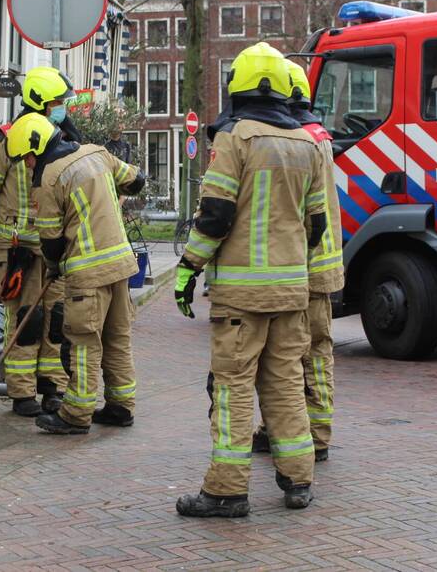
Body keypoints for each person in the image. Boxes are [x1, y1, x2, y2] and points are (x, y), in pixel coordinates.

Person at [173, 42, 327, 517]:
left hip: (242, 296)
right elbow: (316, 224)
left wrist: (187, 269)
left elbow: (215, 215)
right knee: (284, 381)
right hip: (292, 291)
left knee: (233, 386)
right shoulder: (309, 143)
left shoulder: (234, 139)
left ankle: (225, 490)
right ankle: (299, 480)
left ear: (237, 86)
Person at [6, 112, 146, 435]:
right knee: (117, 337)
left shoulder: (48, 179)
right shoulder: (97, 153)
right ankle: (121, 406)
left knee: (83, 342)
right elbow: (136, 180)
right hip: (121, 265)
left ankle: (76, 414)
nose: (26, 167)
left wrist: (53, 268)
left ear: (35, 149)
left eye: (25, 159)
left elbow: (52, 243)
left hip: (87, 272)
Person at [0, 67, 77, 417]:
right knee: (24, 323)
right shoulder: (5, 138)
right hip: (17, 250)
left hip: (55, 248)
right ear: (41, 102)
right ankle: (22, 393)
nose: (63, 108)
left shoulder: (64, 138)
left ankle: (53, 389)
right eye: (58, 102)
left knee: (56, 321)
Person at [253, 60, 344, 463]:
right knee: (310, 354)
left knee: (300, 356)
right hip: (319, 263)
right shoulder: (318, 135)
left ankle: (312, 434)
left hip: (303, 264)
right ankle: (306, 430)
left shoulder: (299, 138)